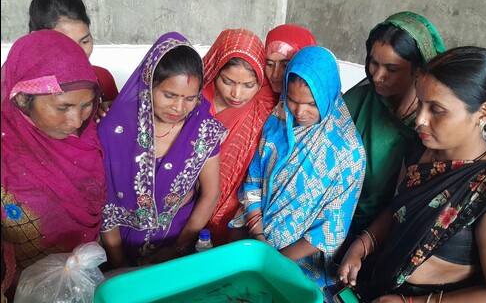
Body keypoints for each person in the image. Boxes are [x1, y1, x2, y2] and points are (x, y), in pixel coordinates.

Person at [338, 46, 486, 303]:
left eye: (437, 110)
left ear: (483, 114)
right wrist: (362, 245)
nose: (420, 119)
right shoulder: (420, 149)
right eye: (420, 103)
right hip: (379, 290)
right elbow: (400, 211)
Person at [234, 46, 366, 288]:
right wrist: (257, 234)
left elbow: (329, 230)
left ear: (328, 95)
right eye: (292, 100)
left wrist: (274, 260)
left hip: (298, 262)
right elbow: (254, 178)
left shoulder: (348, 152)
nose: (299, 111)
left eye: (311, 104)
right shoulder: (278, 120)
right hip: (257, 239)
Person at [98, 32, 227, 267]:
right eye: (169, 95)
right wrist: (118, 264)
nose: (179, 107)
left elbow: (211, 193)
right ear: (148, 83)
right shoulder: (115, 129)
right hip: (121, 244)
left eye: (190, 98)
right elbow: (106, 204)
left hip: (179, 237)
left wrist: (178, 248)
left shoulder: (203, 130)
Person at [1, 29, 105, 300]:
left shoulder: (91, 137)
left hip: (87, 280)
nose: (76, 121)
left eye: (86, 104)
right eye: (62, 107)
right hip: (23, 290)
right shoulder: (5, 153)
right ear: (22, 99)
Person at [344, 11, 446, 236]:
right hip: (336, 223)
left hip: (392, 235)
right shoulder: (357, 102)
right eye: (373, 62)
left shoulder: (433, 125)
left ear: (418, 69)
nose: (378, 76)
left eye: (392, 69)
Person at [202, 29, 277, 246]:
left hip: (237, 208)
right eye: (227, 81)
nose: (237, 94)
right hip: (185, 202)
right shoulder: (192, 99)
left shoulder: (265, 106)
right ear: (215, 70)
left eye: (248, 85)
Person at [28, 0, 119, 104]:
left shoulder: (103, 78)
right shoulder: (25, 92)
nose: (79, 54)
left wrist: (110, 112)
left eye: (85, 41)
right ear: (36, 41)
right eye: (66, 45)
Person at [264, 24, 316, 97]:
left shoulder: (318, 104)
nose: (275, 75)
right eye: (270, 64)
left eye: (285, 66)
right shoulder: (256, 100)